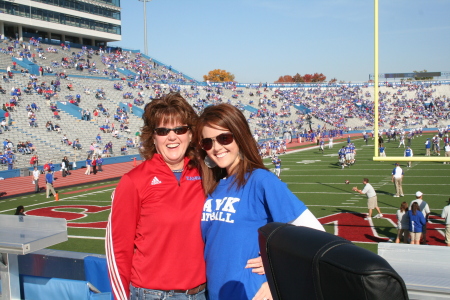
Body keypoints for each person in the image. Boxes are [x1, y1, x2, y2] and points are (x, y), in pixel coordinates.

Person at [196, 103, 324, 300]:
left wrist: (278, 274)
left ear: (239, 135)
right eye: (208, 142)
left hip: (251, 293)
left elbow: (316, 234)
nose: (216, 147)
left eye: (224, 138)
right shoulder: (212, 187)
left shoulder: (260, 180)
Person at [106, 93, 208, 300]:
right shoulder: (133, 181)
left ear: (190, 134)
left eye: (180, 129)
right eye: (163, 131)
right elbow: (118, 250)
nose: (172, 137)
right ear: (153, 136)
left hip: (203, 293)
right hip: (153, 295)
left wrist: (261, 256)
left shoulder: (207, 174)